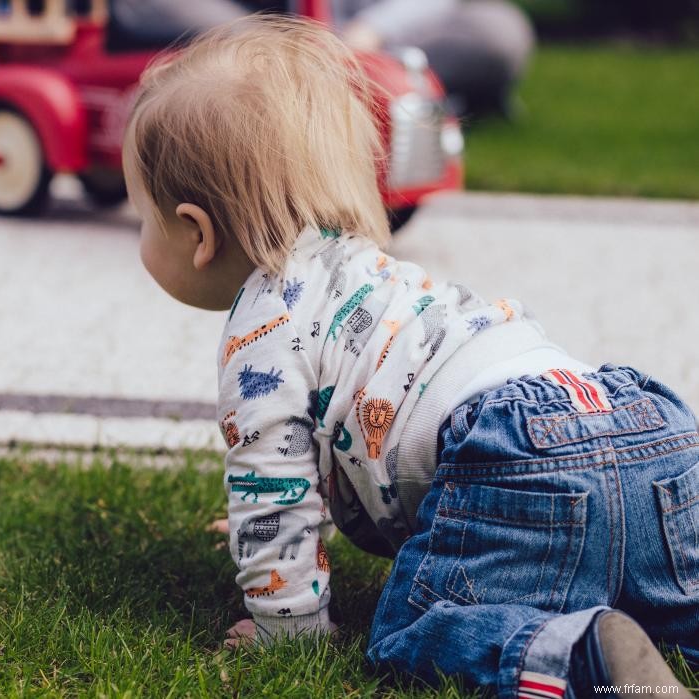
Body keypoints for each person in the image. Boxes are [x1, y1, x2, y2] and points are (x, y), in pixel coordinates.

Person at [121, 14, 698, 698]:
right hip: (643, 422)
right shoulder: (371, 272)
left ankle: (574, 655)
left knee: (413, 626)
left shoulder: (262, 331)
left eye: (140, 218)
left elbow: (271, 490)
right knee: (672, 600)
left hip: (514, 453)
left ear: (196, 232)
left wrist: (286, 626)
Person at [336, 0, 536, 118]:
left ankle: (420, 99)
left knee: (497, 30)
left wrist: (373, 28)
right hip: (328, 44)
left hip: (420, 34)